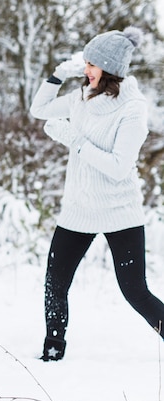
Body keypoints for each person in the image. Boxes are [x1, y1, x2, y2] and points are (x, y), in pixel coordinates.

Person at [30, 26, 164, 361]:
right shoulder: (81, 97)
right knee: (55, 284)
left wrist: (72, 139)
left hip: (120, 211)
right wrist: (58, 74)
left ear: (110, 68)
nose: (85, 69)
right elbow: (39, 110)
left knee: (135, 291)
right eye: (85, 62)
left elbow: (119, 166)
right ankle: (53, 349)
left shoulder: (133, 108)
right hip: (78, 208)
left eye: (92, 63)